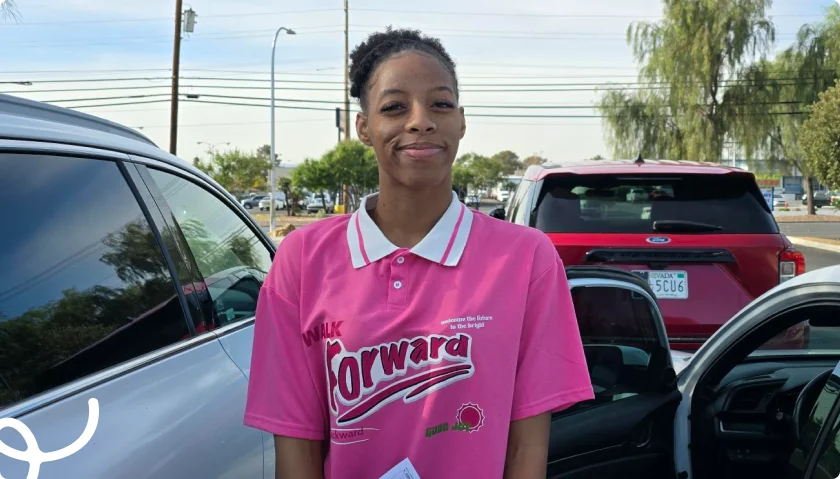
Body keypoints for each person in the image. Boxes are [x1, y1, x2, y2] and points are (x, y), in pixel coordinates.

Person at [243, 27, 594, 479]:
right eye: (394, 107)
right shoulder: (301, 260)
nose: (420, 121)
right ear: (364, 128)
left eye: (440, 104)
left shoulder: (526, 258)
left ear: (461, 121)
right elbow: (297, 445)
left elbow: (528, 446)